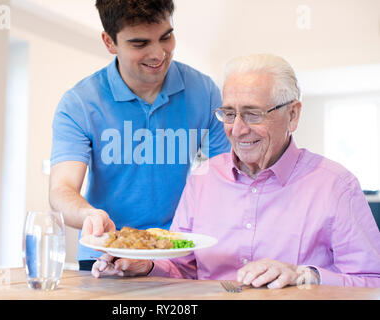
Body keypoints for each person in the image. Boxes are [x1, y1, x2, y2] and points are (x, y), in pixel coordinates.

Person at [91, 54, 380, 288]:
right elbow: (182, 265)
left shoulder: (336, 186)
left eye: (253, 114)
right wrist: (147, 265)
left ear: (292, 115)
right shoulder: (203, 178)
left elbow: (372, 282)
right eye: (229, 113)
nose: (238, 129)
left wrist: (306, 275)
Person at [49, 0, 230, 271]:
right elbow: (61, 191)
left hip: (176, 255)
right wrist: (90, 215)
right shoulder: (80, 103)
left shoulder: (205, 92)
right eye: (140, 44)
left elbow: (228, 179)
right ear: (110, 42)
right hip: (106, 254)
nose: (159, 54)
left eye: (166, 37)